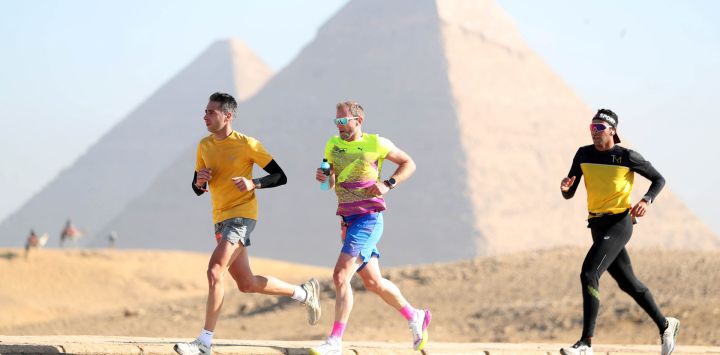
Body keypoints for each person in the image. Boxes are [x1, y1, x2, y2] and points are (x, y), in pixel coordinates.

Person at [174, 92, 321, 355]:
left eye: (211, 112)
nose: (205, 116)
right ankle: (303, 293)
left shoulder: (248, 144)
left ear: (227, 116)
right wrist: (199, 182)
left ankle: (204, 342)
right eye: (205, 111)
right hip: (219, 217)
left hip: (242, 215)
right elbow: (198, 187)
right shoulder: (204, 146)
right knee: (246, 283)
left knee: (214, 270)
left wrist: (255, 183)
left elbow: (280, 175)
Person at [310, 101, 431, 355]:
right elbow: (330, 184)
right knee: (374, 282)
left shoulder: (377, 143)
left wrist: (389, 183)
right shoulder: (332, 145)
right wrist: (324, 178)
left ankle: (335, 342)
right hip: (347, 221)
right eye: (336, 121)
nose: (339, 126)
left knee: (341, 276)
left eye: (343, 121)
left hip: (369, 219)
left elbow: (409, 163)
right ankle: (415, 316)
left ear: (358, 121)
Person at [559, 109, 679, 355]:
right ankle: (666, 325)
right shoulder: (583, 154)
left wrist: (646, 200)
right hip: (596, 224)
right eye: (592, 128)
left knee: (589, 273)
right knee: (628, 283)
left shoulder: (626, 156)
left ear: (612, 130)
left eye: (600, 128)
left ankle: (585, 344)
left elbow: (659, 179)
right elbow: (570, 191)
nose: (594, 132)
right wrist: (565, 189)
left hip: (619, 223)